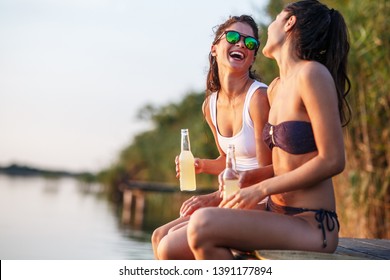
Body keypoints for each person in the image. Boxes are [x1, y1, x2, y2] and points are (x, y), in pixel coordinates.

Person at [186, 0, 351, 259]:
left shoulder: (312, 75)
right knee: (171, 244)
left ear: (289, 22)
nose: (270, 25)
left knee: (202, 225)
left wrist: (261, 189)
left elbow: (333, 160)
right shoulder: (275, 87)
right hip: (275, 213)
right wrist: (247, 179)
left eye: (275, 18)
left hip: (311, 222)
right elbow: (284, 164)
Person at [151, 15, 273, 259]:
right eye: (232, 37)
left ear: (253, 56)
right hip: (232, 197)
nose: (241, 44)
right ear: (215, 48)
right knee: (157, 236)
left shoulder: (259, 98)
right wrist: (201, 165)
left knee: (168, 248)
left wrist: (214, 197)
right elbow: (230, 160)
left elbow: (268, 167)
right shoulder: (210, 105)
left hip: (259, 201)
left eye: (250, 43)